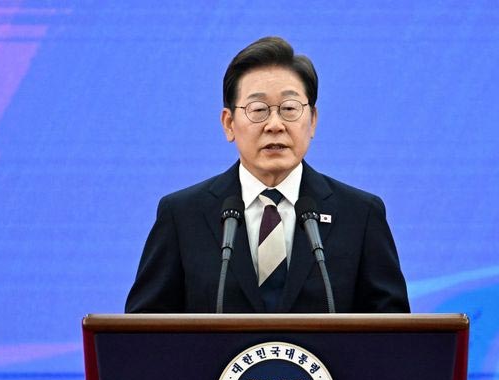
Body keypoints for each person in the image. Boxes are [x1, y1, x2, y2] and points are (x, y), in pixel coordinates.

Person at [125, 36, 409, 314]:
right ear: (229, 123)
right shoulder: (182, 215)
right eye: (258, 110)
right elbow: (145, 330)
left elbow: (394, 333)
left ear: (312, 121)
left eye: (289, 109)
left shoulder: (360, 215)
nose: (275, 125)